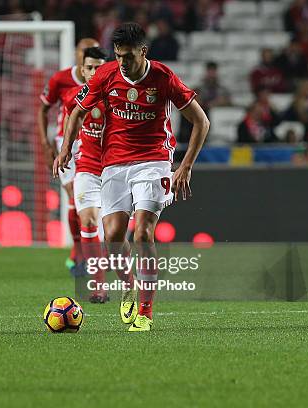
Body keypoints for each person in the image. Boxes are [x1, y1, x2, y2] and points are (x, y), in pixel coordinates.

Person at [55, 23, 209, 332]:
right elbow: (76, 111)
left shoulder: (163, 78)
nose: (122, 62)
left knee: (142, 233)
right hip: (113, 164)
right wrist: (65, 149)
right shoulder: (105, 75)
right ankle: (130, 284)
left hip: (153, 161)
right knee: (112, 237)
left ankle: (146, 313)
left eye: (127, 56)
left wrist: (186, 165)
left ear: (143, 51)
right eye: (118, 55)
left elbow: (200, 121)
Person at [38, 37, 99, 274]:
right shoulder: (60, 79)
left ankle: (89, 253)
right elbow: (43, 109)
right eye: (83, 53)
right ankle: (79, 251)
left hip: (95, 141)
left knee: (87, 201)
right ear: (77, 56)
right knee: (74, 194)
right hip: (67, 143)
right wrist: (45, 143)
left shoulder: (105, 81)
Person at [60, 46, 108, 303]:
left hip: (117, 170)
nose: (93, 72)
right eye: (89, 67)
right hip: (87, 168)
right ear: (82, 69)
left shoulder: (119, 96)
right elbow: (69, 128)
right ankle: (97, 286)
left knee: (114, 233)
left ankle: (129, 281)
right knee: (88, 221)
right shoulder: (72, 98)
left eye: (98, 67)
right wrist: (64, 153)